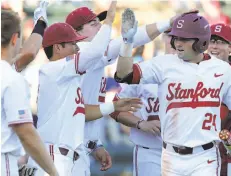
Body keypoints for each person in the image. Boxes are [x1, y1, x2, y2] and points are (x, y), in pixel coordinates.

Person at [115, 11, 231, 175]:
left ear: (201, 41)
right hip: (170, 156)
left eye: (184, 39)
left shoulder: (222, 69)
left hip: (205, 156)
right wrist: (127, 43)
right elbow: (124, 74)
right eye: (176, 37)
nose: (177, 43)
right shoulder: (164, 64)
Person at [27, 2, 142, 175]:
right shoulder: (53, 70)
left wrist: (114, 107)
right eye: (73, 44)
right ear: (58, 47)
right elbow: (95, 52)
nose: (77, 48)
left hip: (71, 156)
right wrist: (109, 21)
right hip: (53, 157)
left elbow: (81, 112)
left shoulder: (68, 77)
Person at [66, 6, 179, 174]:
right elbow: (78, 111)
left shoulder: (91, 56)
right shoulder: (83, 54)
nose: (101, 27)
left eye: (100, 22)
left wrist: (95, 143)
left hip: (78, 147)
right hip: (66, 149)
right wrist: (166, 23)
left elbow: (130, 39)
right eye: (93, 24)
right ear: (76, 33)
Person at [1, 9, 58, 176]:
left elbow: (29, 53)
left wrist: (40, 26)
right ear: (14, 39)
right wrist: (53, 172)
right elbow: (25, 132)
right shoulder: (10, 77)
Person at [208, 23, 231, 176]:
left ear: (230, 47)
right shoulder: (196, 71)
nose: (215, 46)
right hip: (203, 150)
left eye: (220, 42)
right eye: (212, 41)